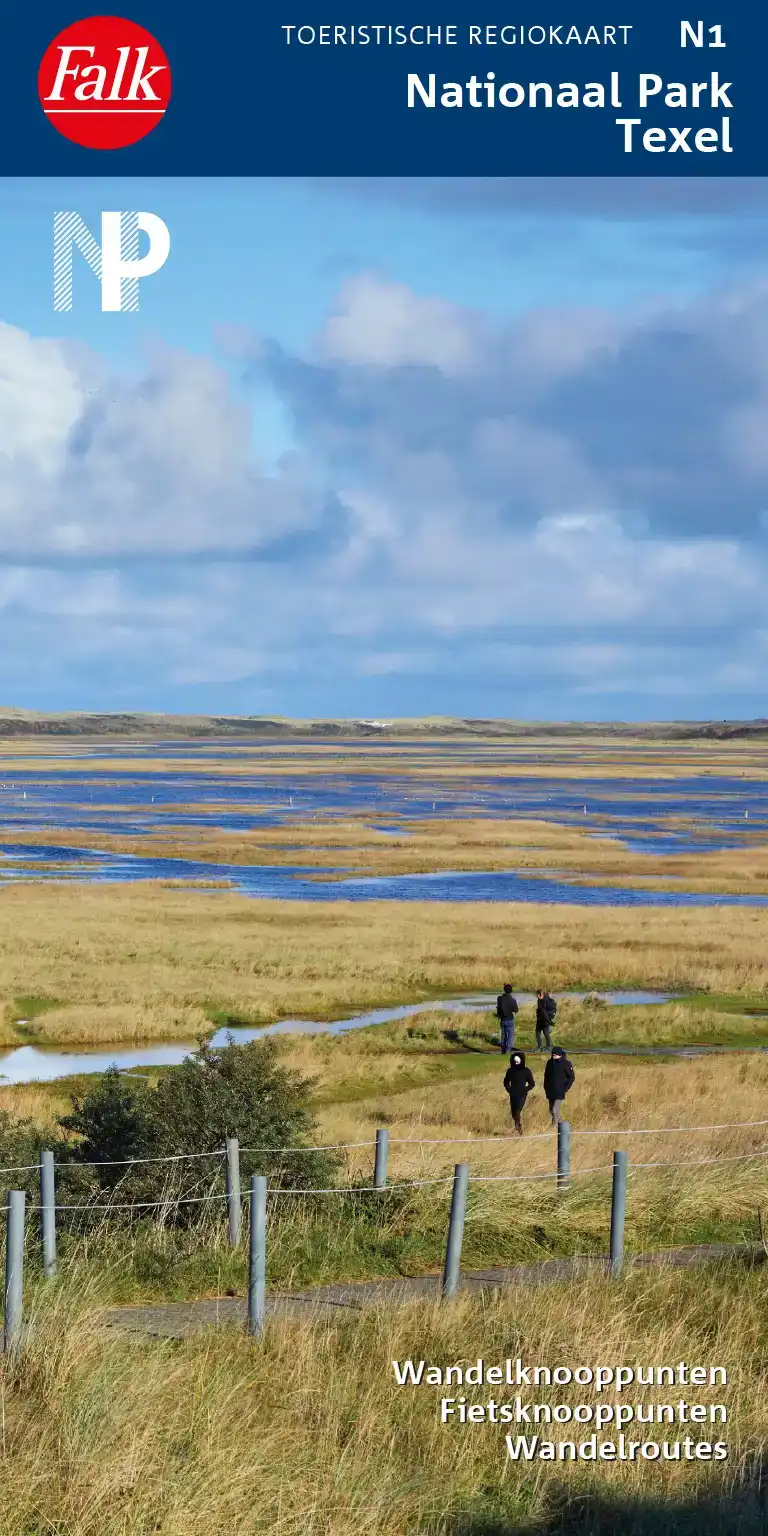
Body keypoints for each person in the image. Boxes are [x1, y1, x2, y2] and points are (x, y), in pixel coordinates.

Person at [503, 1050, 535, 1136]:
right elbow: (506, 1082)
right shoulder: (510, 1071)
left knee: (517, 1110)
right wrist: (509, 1090)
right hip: (513, 1094)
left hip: (522, 1095)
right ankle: (518, 1126)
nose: (516, 1062)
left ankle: (518, 1128)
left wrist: (525, 1089)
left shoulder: (526, 1071)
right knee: (513, 1113)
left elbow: (532, 1083)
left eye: (518, 1061)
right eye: (515, 1061)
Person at [543, 1046, 575, 1126]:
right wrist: (545, 1087)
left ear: (560, 1055)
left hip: (560, 1091)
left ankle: (555, 1127)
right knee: (551, 1110)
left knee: (555, 1110)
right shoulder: (549, 1063)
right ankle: (562, 1125)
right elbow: (546, 1075)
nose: (553, 1056)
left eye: (555, 1055)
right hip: (550, 1090)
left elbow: (571, 1077)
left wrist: (565, 1088)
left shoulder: (566, 1063)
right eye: (552, 1054)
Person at [496, 983, 519, 1053]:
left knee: (503, 1034)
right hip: (510, 1019)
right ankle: (508, 1049)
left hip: (503, 1019)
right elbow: (516, 1010)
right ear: (511, 991)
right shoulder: (513, 1000)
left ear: (504, 990)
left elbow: (498, 1008)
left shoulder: (499, 998)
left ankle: (503, 1048)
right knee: (510, 1034)